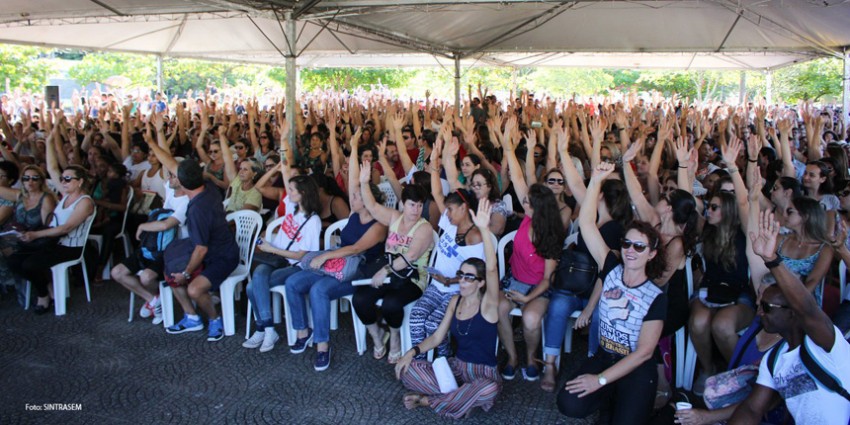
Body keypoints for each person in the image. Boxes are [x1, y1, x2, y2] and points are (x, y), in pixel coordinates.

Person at [557, 162, 668, 424]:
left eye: (639, 247)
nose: (631, 250)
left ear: (652, 254)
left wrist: (600, 380)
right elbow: (586, 223)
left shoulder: (655, 296)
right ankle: (609, 399)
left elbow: (643, 353)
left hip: (637, 368)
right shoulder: (611, 267)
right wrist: (595, 182)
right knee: (568, 402)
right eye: (627, 243)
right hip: (606, 356)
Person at [730, 210, 850, 425]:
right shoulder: (774, 360)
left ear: (792, 311)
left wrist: (772, 260)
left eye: (767, 307)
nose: (760, 312)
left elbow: (808, 308)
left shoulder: (827, 345)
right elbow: (751, 410)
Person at [278, 139, 387, 371]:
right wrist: (354, 147)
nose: (352, 198)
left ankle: (322, 345)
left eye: (357, 196)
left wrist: (325, 256)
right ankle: (302, 330)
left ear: (368, 201)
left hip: (355, 272)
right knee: (293, 282)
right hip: (335, 264)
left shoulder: (378, 225)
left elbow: (356, 249)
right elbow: (352, 181)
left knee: (318, 290)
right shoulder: (356, 215)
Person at [395, 200, 501, 420]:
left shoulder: (489, 305)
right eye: (461, 275)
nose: (462, 281)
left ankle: (427, 400)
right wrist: (411, 353)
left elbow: (491, 268)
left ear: (480, 283)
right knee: (408, 371)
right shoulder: (455, 300)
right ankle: (461, 399)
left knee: (488, 389)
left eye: (469, 277)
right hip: (457, 369)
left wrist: (483, 228)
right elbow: (436, 338)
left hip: (483, 374)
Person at [405, 143, 484, 360]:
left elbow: (477, 274)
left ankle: (444, 360)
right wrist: (435, 162)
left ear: (463, 208)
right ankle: (420, 363)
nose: (446, 213)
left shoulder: (475, 236)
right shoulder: (449, 222)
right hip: (436, 286)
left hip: (457, 292)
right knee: (416, 316)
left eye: (450, 209)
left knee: (432, 324)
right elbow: (437, 192)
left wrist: (450, 281)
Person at [499, 124, 566, 381]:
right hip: (513, 281)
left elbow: (548, 279)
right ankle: (512, 356)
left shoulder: (550, 233)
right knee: (498, 308)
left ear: (539, 207)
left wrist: (527, 299)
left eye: (528, 202)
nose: (524, 203)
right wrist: (509, 147)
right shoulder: (527, 218)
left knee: (529, 319)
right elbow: (517, 178)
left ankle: (530, 358)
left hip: (539, 287)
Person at [8, 124, 95, 315]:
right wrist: (49, 141)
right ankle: (47, 287)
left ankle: (43, 295)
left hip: (70, 248)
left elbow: (66, 228)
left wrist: (35, 234)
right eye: (62, 179)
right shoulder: (65, 194)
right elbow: (52, 167)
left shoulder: (85, 202)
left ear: (79, 181)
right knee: (14, 261)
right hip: (51, 242)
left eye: (68, 179)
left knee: (30, 264)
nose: (63, 182)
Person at [352, 161, 434, 364]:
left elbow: (411, 257)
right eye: (412, 205)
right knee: (360, 299)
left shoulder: (424, 228)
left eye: (419, 205)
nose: (416, 210)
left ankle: (395, 338)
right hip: (390, 276)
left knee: (391, 304)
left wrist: (384, 271)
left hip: (412, 279)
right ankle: (377, 336)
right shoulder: (395, 217)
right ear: (402, 204)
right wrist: (363, 183)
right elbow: (371, 206)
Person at [244, 144, 322, 353]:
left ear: (303, 193)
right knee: (252, 284)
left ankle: (265, 327)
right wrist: (283, 147)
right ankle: (266, 328)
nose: (289, 191)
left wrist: (272, 248)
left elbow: (303, 255)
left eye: (293, 190)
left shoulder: (312, 221)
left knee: (256, 279)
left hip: (295, 265)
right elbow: (273, 179)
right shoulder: (292, 206)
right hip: (278, 259)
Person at [112, 134, 189, 324]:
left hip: (170, 248)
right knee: (117, 273)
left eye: (172, 175)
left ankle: (158, 300)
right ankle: (154, 300)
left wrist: (143, 225)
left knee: (147, 278)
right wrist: (158, 132)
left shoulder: (188, 200)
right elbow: (166, 161)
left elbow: (167, 224)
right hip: (153, 242)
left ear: (182, 179)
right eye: (169, 173)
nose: (168, 176)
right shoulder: (171, 188)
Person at [164, 159, 239, 341]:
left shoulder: (198, 210)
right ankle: (191, 317)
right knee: (171, 269)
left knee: (194, 289)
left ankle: (215, 319)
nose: (169, 178)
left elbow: (201, 250)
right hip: (209, 250)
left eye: (174, 176)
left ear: (182, 184)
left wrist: (186, 273)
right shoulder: (207, 187)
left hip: (223, 256)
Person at [219, 133, 262, 213]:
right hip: (225, 218)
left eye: (245, 169)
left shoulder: (255, 194)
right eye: (240, 168)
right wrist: (221, 135)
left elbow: (240, 216)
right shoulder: (237, 180)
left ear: (254, 173)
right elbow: (227, 158)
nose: (241, 171)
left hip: (237, 224)